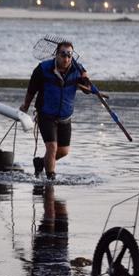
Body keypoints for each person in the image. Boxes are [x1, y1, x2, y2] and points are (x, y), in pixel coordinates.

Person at [20, 41, 90, 180]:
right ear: (56, 54)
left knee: (63, 151)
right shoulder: (43, 69)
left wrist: (86, 79)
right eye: (63, 54)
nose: (66, 58)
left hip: (65, 116)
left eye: (69, 55)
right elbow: (31, 89)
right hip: (46, 114)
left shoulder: (78, 70)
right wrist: (26, 106)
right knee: (52, 147)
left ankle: (40, 162)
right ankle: (51, 180)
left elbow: (87, 90)